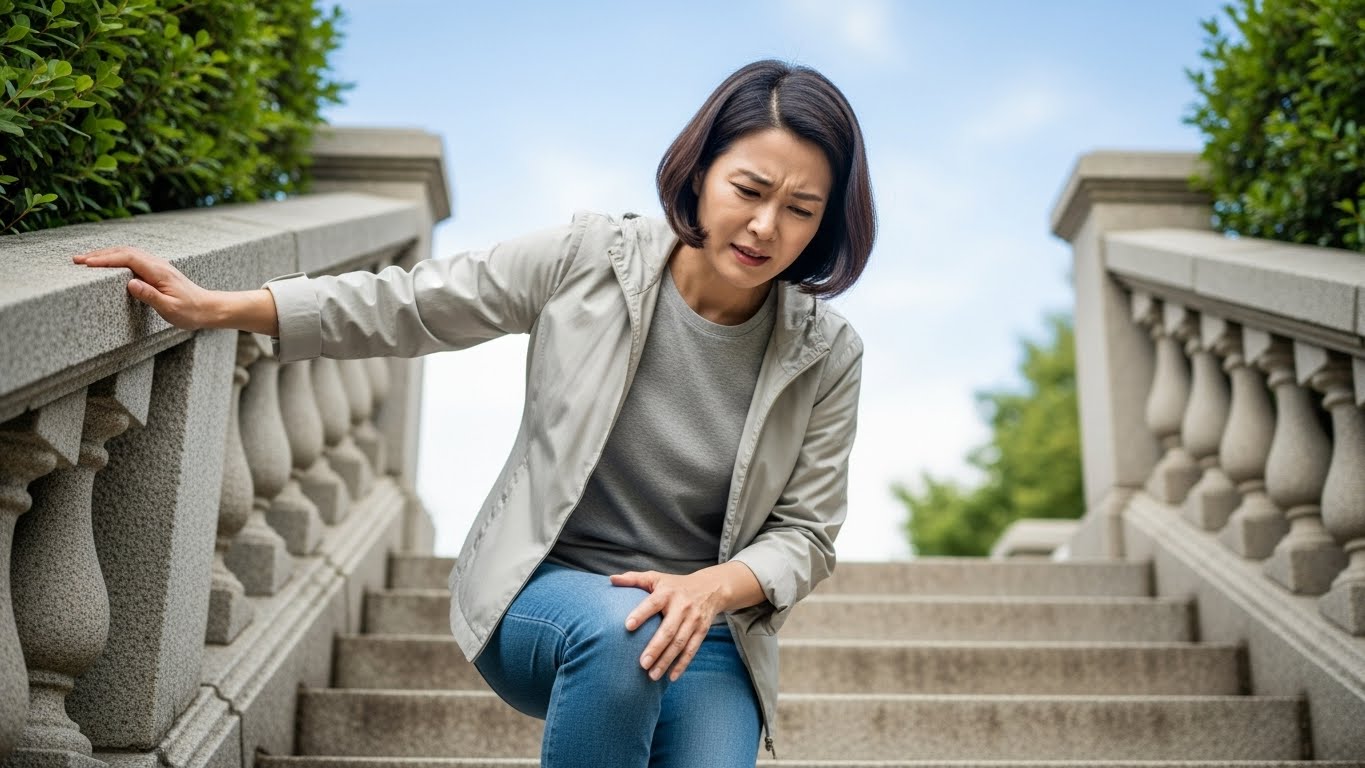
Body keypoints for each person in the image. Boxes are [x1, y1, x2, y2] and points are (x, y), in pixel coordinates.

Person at [73, 58, 875, 768]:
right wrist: (226, 307)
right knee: (616, 636)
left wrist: (709, 590)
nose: (767, 227)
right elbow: (413, 304)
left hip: (707, 627)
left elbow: (804, 533)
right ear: (700, 171)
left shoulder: (825, 353)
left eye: (801, 209)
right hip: (546, 592)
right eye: (749, 189)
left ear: (825, 224)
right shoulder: (590, 260)